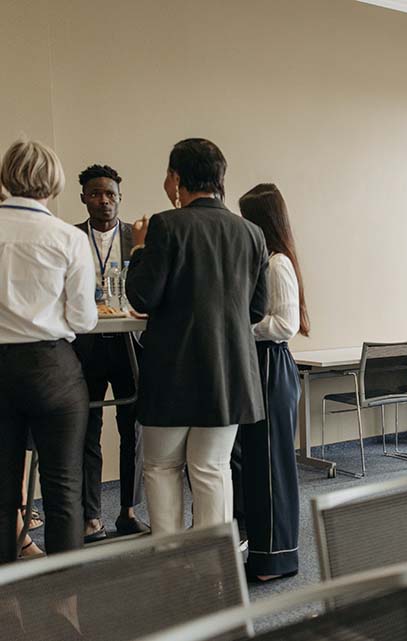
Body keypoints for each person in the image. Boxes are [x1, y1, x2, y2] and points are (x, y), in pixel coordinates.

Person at [125, 138, 268, 536]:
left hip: (172, 372)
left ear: (175, 178)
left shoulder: (165, 225)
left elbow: (142, 295)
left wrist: (138, 250)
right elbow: (256, 311)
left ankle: (170, 562)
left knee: (161, 468)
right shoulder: (252, 233)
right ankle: (213, 568)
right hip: (228, 375)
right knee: (211, 469)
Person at [0, 140, 98, 563]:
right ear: (54, 182)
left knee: (3, 492)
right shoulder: (67, 238)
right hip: (52, 368)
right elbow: (83, 320)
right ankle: (65, 604)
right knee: (63, 491)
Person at [72, 164, 149, 541]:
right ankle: (91, 517)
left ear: (120, 197)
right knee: (88, 429)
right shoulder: (69, 238)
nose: (104, 201)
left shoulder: (137, 239)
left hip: (127, 346)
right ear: (84, 197)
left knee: (131, 428)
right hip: (85, 347)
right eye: (96, 194)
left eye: (111, 195)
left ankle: (128, 511)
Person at [237, 183, 308, 582]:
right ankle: (265, 554)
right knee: (259, 465)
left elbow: (285, 324)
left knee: (270, 466)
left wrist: (239, 328)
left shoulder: (277, 263)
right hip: (259, 365)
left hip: (270, 366)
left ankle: (275, 559)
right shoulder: (262, 259)